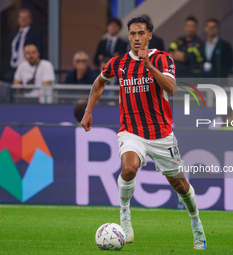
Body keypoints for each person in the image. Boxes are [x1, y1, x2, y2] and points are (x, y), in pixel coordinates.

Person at [81, 15, 206, 250]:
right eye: (132, 34)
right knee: (128, 168)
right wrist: (88, 111)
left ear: (149, 35)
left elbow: (172, 88)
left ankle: (196, 222)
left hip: (161, 134)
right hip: (131, 131)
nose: (136, 38)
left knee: (180, 186)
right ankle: (125, 217)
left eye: (140, 33)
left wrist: (148, 65)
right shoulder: (118, 62)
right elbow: (99, 82)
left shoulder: (162, 58)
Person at [8, 8, 43, 82]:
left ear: (30, 19)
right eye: (21, 18)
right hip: (13, 68)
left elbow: (38, 50)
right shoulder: (15, 34)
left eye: (26, 18)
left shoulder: (35, 33)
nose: (23, 20)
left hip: (28, 68)